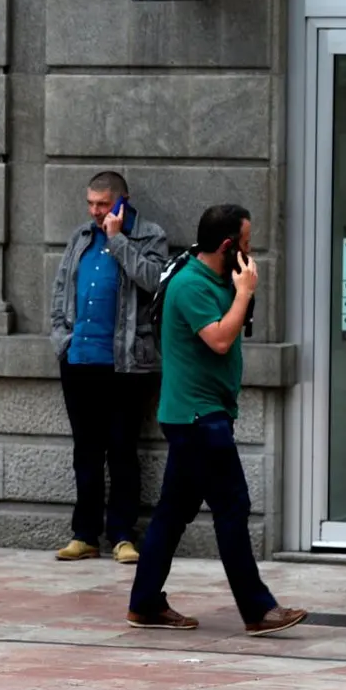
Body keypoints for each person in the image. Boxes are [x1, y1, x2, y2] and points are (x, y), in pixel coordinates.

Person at [126, 204, 306, 636]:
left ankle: (145, 603)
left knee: (173, 512)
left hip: (203, 414)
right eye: (245, 244)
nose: (249, 253)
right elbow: (221, 340)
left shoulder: (214, 277)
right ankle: (258, 610)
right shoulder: (191, 285)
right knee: (232, 507)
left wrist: (241, 290)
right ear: (227, 246)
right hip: (198, 418)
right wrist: (245, 293)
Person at [48, 171, 168, 564]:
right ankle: (85, 534)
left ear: (122, 201)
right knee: (85, 450)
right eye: (91, 203)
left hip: (126, 364)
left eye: (102, 204)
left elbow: (154, 281)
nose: (95, 212)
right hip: (79, 359)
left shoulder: (149, 236)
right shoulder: (81, 236)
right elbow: (62, 288)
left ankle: (121, 534)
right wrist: (61, 341)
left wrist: (118, 241)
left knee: (121, 450)